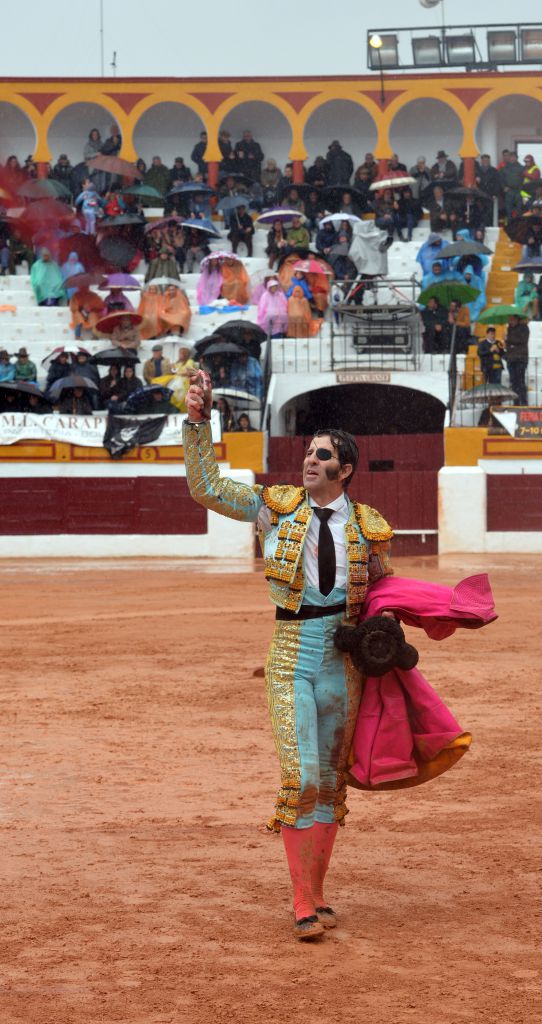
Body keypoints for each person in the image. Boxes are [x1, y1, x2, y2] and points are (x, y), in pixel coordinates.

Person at [183, 375, 397, 941]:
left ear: (344, 469)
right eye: (307, 452)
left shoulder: (369, 527)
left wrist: (386, 634)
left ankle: (319, 892)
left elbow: (384, 597)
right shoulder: (272, 508)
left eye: (321, 455)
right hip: (289, 656)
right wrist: (199, 422)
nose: (308, 461)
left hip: (343, 663)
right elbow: (205, 488)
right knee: (299, 777)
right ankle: (301, 898)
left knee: (329, 784)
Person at [504, 313, 529, 404]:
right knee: (513, 381)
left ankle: (523, 401)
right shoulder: (509, 328)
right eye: (509, 320)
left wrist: (508, 339)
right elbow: (510, 344)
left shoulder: (524, 328)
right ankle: (516, 401)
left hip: (520, 359)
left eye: (512, 319)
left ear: (517, 319)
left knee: (520, 381)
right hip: (511, 359)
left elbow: (522, 340)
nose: (510, 321)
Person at [499, 152, 524, 220]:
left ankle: (518, 226)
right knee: (508, 210)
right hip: (509, 191)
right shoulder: (504, 168)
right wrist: (504, 187)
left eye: (513, 157)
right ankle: (510, 226)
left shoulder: (522, 168)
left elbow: (524, 179)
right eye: (511, 157)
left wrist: (522, 188)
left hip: (518, 191)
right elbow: (501, 179)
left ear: (516, 158)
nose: (512, 158)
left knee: (519, 209)